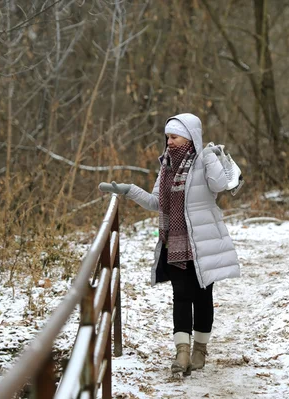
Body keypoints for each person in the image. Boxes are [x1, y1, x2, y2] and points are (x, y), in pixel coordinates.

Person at [98, 112, 240, 376]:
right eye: (167, 137)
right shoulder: (166, 166)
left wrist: (210, 156)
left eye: (174, 136)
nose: (169, 142)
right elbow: (156, 203)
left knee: (203, 297)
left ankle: (199, 351)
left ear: (189, 137)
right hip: (173, 242)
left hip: (202, 242)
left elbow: (219, 185)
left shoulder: (204, 161)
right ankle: (182, 354)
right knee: (181, 297)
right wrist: (128, 190)